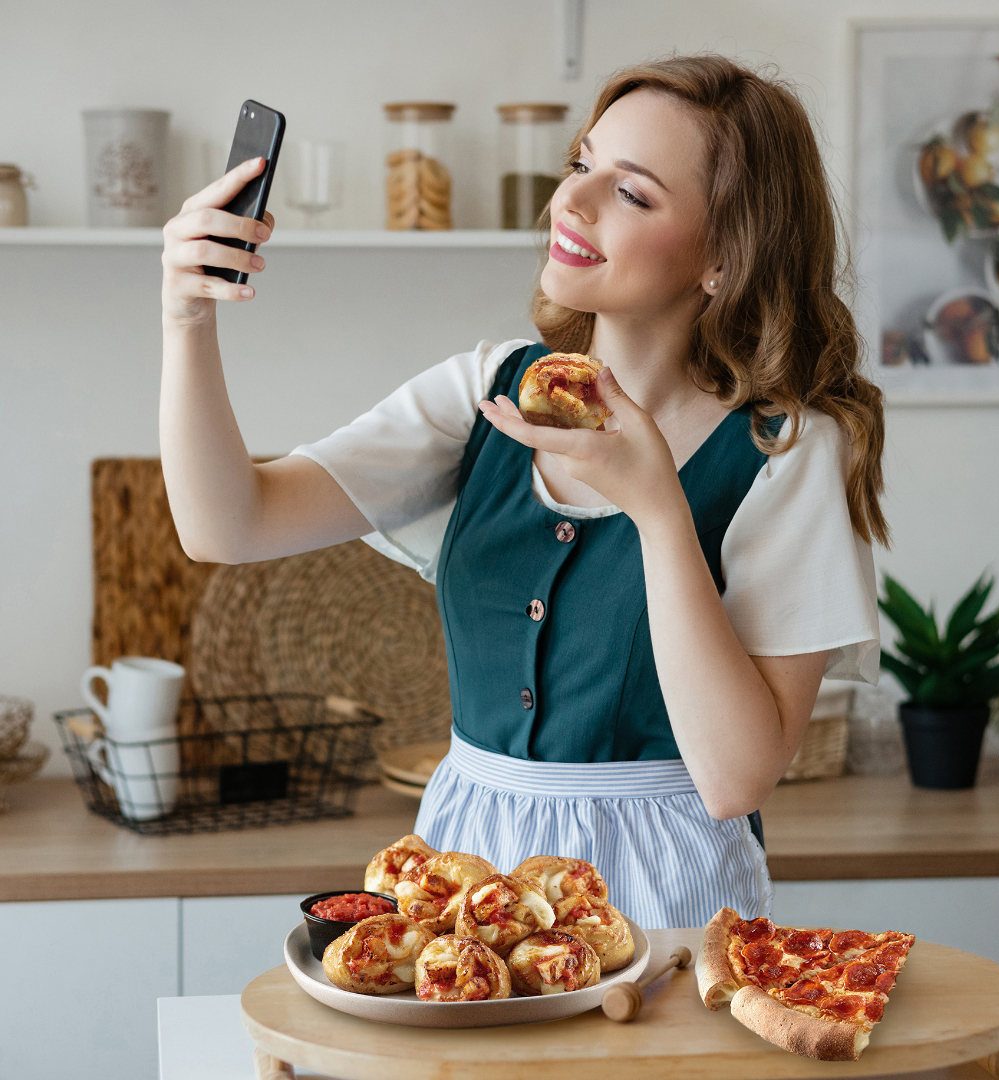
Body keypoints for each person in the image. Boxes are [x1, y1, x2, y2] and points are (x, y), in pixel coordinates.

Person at [160, 55, 885, 928]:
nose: (569, 203)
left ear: (723, 259)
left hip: (663, 898)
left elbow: (737, 779)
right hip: (459, 878)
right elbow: (225, 524)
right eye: (582, 164)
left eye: (634, 193)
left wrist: (658, 508)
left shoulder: (786, 449)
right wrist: (184, 317)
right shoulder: (481, 391)